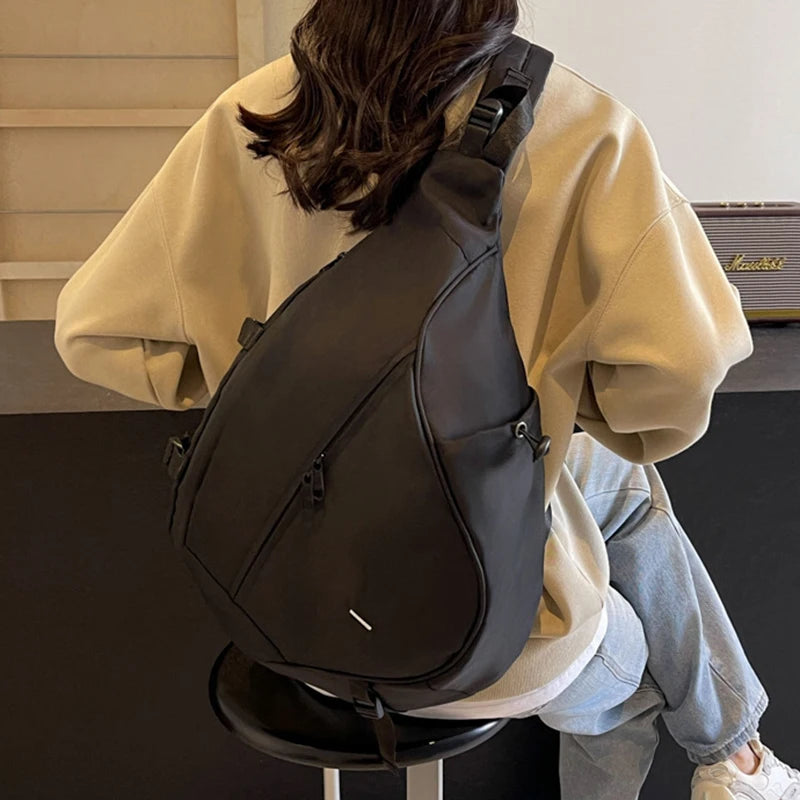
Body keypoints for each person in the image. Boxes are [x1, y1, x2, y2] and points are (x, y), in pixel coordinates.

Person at [52, 2, 798, 798]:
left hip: (280, 596)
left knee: (624, 491)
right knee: (636, 673)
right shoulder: (584, 129)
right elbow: (678, 384)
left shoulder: (260, 111)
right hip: (490, 633)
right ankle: (736, 760)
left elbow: (95, 333)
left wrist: (265, 391)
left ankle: (740, 759)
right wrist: (551, 398)